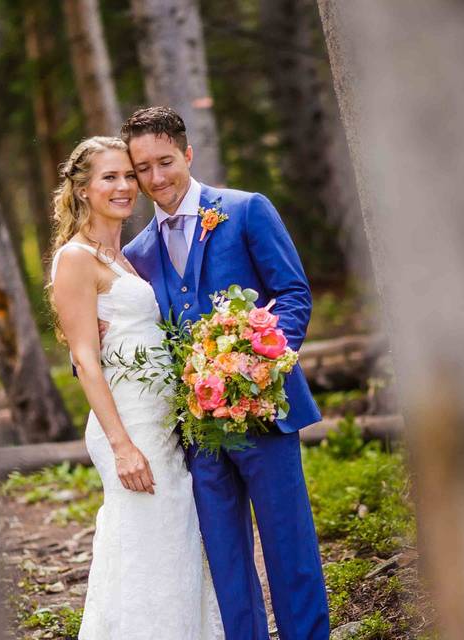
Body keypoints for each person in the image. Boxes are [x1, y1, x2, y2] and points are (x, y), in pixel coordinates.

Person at [120, 106, 330, 640]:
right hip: (197, 432)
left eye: (165, 162)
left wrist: (256, 365)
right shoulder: (136, 254)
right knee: (226, 564)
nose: (157, 178)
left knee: (290, 550)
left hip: (264, 412)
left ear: (187, 155)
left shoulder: (245, 210)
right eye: (143, 168)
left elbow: (293, 294)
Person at [48, 136, 224, 640]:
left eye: (129, 175)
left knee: (171, 544)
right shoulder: (76, 258)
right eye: (110, 177)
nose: (125, 186)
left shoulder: (124, 256)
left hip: (161, 424)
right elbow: (84, 357)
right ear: (82, 189)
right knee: (149, 543)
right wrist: (123, 446)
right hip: (129, 429)